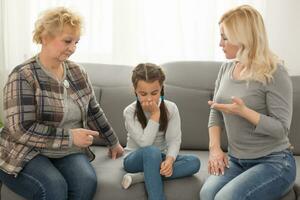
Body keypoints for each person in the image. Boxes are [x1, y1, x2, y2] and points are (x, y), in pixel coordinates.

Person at [0, 7, 124, 200]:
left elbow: (93, 110)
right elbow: (21, 130)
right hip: (26, 151)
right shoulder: (22, 75)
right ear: (44, 37)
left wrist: (113, 142)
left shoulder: (77, 72)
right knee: (54, 187)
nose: (73, 47)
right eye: (67, 41)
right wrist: (70, 138)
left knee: (86, 182)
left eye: (76, 42)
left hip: (66, 150)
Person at [199, 5, 296, 200]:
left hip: (274, 162)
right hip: (236, 160)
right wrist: (215, 149)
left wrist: (244, 112)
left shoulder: (274, 72)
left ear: (242, 38)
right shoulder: (226, 69)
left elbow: (281, 129)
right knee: (207, 193)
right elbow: (215, 112)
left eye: (225, 37)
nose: (220, 43)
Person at [121, 63, 200, 200]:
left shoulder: (171, 108)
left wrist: (169, 160)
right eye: (143, 94)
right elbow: (145, 143)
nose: (149, 99)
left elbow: (174, 140)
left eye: (154, 93)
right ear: (135, 91)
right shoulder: (130, 112)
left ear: (161, 89)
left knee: (194, 162)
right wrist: (155, 115)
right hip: (135, 159)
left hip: (160, 158)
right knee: (152, 151)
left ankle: (140, 177)